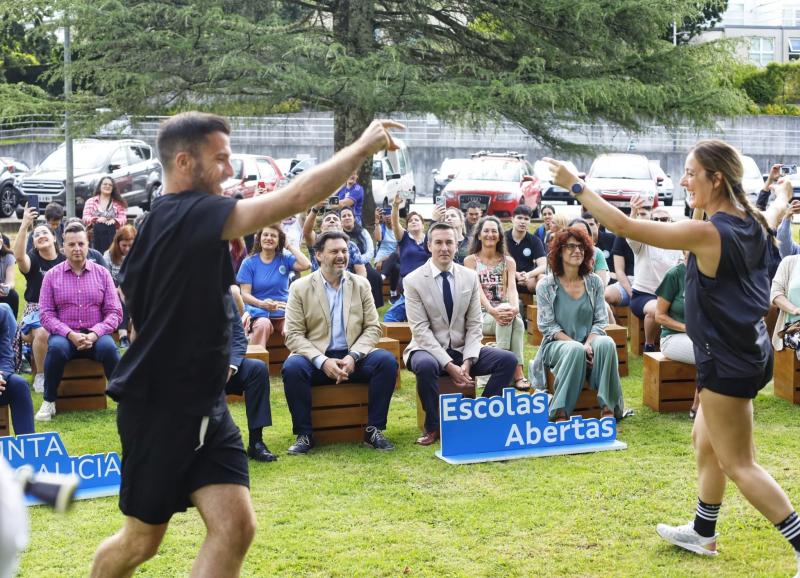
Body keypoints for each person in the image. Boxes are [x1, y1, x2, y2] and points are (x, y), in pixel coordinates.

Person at [91, 112, 402, 577]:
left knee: (235, 527)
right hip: (161, 409)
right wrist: (360, 149)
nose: (230, 170)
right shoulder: (185, 214)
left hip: (205, 406)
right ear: (183, 162)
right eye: (219, 160)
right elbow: (293, 198)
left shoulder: (175, 222)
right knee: (140, 541)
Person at [546, 141, 800, 574]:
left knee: (740, 464)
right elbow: (776, 207)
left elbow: (624, 224)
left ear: (716, 178)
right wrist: (781, 189)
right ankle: (704, 531)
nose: (683, 181)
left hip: (726, 360)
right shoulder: (754, 222)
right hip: (743, 351)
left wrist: (575, 184)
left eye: (690, 172)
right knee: (705, 439)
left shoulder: (707, 233)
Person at [282, 231, 397, 454]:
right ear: (318, 256)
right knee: (292, 367)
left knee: (386, 361)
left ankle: (373, 429)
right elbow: (294, 335)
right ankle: (305, 435)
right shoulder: (300, 287)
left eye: (344, 251)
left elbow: (373, 327)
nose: (341, 256)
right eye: (334, 251)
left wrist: (353, 356)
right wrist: (322, 361)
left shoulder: (361, 284)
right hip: (316, 357)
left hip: (353, 356)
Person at [404, 222, 517, 446]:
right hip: (427, 348)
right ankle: (433, 427)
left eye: (449, 242)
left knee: (508, 360)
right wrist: (449, 365)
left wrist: (467, 360)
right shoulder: (413, 280)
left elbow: (475, 323)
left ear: (457, 246)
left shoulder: (468, 276)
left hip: (463, 348)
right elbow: (421, 331)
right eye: (438, 242)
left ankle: (480, 416)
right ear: (429, 246)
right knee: (425, 366)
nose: (444, 248)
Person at [529, 228, 624, 420]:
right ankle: (560, 410)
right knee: (574, 349)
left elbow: (600, 321)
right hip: (556, 345)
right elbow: (548, 327)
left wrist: (588, 343)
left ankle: (608, 408)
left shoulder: (594, 282)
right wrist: (580, 346)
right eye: (570, 246)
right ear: (559, 251)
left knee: (607, 343)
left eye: (581, 247)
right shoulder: (546, 285)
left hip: (589, 341)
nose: (577, 251)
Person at [35, 222, 123, 422]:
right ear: (62, 247)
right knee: (56, 349)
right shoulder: (51, 276)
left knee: (110, 349)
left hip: (95, 335)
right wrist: (69, 334)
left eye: (81, 244)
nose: (77, 249)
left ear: (88, 245)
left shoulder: (103, 274)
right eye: (72, 244)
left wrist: (94, 333)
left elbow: (115, 312)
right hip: (65, 336)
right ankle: (49, 401)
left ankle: (122, 400)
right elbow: (46, 314)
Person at [464, 216, 528, 390]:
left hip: (502, 312)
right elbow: (476, 290)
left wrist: (514, 308)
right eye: (486, 230)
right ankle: (517, 374)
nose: (490, 234)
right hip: (481, 316)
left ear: (500, 236)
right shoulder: (470, 261)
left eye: (494, 231)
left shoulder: (508, 261)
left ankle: (499, 370)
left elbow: (512, 289)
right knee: (513, 321)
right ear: (479, 235)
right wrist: (492, 310)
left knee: (514, 319)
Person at [13, 205, 66, 391]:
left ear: (54, 238)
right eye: (36, 235)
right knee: (43, 331)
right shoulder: (33, 260)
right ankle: (41, 377)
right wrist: (25, 225)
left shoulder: (64, 260)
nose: (41, 235)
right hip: (35, 312)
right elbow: (19, 257)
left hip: (63, 311)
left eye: (45, 232)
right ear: (34, 244)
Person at [237, 225, 310, 348]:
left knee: (292, 328)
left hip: (282, 311)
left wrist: (289, 246)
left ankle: (293, 364)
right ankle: (258, 364)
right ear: (259, 238)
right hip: (258, 312)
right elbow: (244, 295)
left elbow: (306, 264)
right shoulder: (249, 263)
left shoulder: (284, 258)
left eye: (273, 236)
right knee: (263, 325)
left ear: (279, 240)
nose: (269, 238)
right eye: (265, 235)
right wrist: (261, 304)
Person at [225, 293, 277, 463]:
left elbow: (239, 338)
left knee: (257, 369)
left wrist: (230, 367)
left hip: (224, 369)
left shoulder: (224, 295)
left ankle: (256, 443)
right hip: (190, 372)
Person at [626, 198, 683, 352]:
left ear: (671, 221)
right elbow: (630, 232)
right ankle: (649, 346)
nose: (659, 222)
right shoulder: (643, 242)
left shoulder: (678, 244)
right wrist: (633, 212)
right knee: (657, 310)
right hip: (643, 295)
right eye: (655, 219)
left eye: (663, 219)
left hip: (670, 297)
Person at [654, 260, 699, 418]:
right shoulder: (675, 274)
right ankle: (698, 407)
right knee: (709, 352)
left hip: (704, 337)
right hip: (673, 337)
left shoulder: (713, 273)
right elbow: (659, 316)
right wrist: (688, 328)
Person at [302, 207, 367, 278]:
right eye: (328, 220)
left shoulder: (351, 246)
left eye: (335, 219)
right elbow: (307, 232)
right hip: (318, 286)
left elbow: (361, 271)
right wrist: (315, 209)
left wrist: (359, 287)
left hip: (345, 286)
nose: (332, 221)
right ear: (321, 227)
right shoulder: (316, 241)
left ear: (342, 227)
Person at [0, 303, 34, 435]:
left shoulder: (1, 314)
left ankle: (28, 447)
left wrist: (2, 376)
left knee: (19, 385)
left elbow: (6, 357)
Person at [341, 206, 384, 307]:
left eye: (349, 215)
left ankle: (373, 306)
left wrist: (358, 261)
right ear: (340, 220)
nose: (347, 217)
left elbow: (370, 251)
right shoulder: (338, 233)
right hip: (345, 264)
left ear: (354, 218)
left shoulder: (362, 232)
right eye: (344, 216)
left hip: (363, 262)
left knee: (375, 276)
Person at [104, 225, 137, 349]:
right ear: (117, 243)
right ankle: (123, 336)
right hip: (114, 290)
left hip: (132, 290)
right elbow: (105, 278)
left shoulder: (139, 255)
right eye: (124, 245)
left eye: (130, 245)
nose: (127, 249)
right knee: (121, 295)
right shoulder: (108, 256)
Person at [505, 205, 546, 295]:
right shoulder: (503, 238)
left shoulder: (534, 240)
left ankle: (545, 308)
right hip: (506, 277)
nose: (523, 222)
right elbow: (495, 262)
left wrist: (528, 275)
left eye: (526, 219)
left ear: (530, 221)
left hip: (527, 280)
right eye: (519, 218)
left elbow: (543, 265)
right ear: (512, 219)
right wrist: (515, 274)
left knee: (542, 278)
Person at [82, 176, 128, 254]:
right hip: (95, 237)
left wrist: (114, 220)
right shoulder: (91, 201)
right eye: (105, 184)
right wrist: (96, 219)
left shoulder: (118, 203)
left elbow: (123, 218)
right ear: (100, 186)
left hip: (113, 236)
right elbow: (85, 217)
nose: (107, 186)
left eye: (110, 185)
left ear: (113, 188)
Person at [604, 227, 637, 308]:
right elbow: (619, 270)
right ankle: (614, 321)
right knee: (604, 296)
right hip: (627, 282)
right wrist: (631, 293)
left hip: (649, 285)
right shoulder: (622, 237)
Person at [373, 206, 400, 300]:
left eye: (390, 214)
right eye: (385, 214)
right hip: (382, 261)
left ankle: (381, 277)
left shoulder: (399, 230)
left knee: (395, 255)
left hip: (393, 258)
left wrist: (385, 258)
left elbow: (399, 250)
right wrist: (377, 221)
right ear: (382, 217)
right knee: (396, 268)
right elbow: (378, 239)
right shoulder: (381, 228)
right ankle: (393, 294)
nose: (387, 216)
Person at [0, 238, 18, 319]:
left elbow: (10, 282)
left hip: (2, 292)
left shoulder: (8, 256)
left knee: (13, 295)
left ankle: (12, 329)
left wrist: (7, 287)